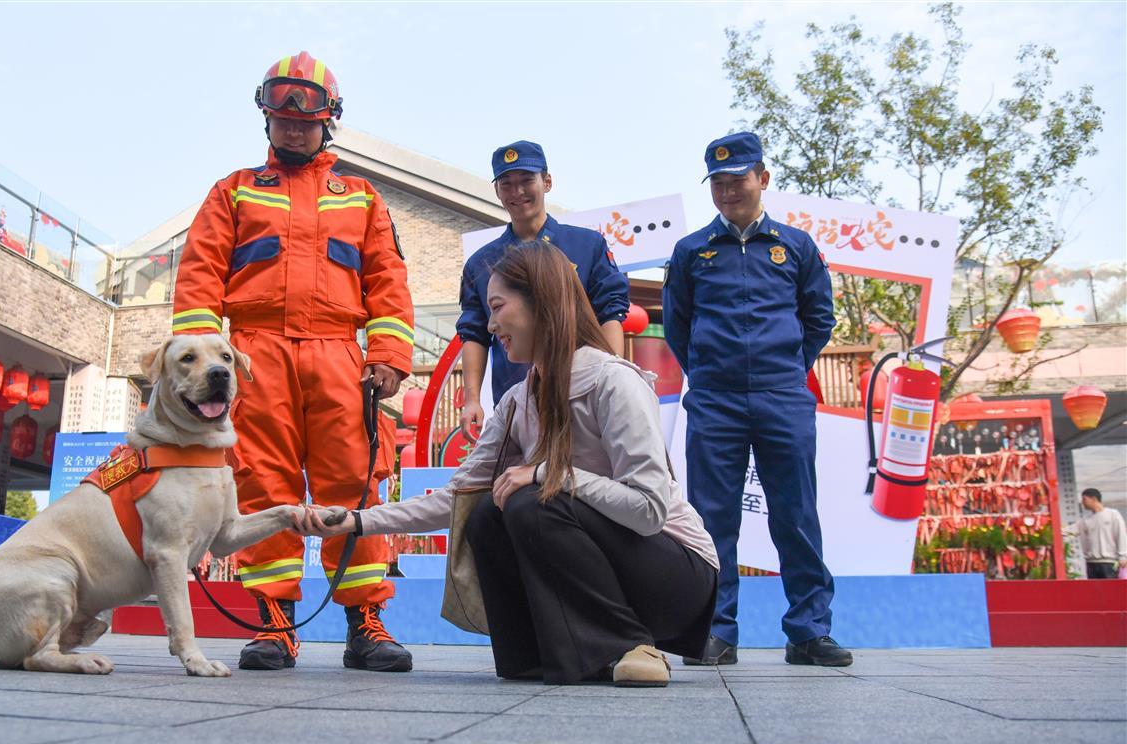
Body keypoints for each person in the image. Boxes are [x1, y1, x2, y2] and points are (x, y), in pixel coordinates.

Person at [298, 241, 719, 687]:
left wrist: (548, 474)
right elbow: (456, 497)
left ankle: (631, 644)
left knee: (531, 502)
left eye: (498, 307)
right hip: (621, 568)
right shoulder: (519, 402)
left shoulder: (613, 381)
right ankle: (534, 652)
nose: (491, 324)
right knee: (484, 517)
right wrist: (355, 522)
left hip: (678, 578)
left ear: (543, 301)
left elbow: (650, 511)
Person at [171, 51, 415, 673]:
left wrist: (387, 354)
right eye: (282, 119)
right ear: (267, 120)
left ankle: (366, 623)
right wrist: (198, 367)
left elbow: (387, 281)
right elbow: (199, 275)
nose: (294, 129)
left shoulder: (360, 197)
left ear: (327, 121)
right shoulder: (234, 190)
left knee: (352, 483)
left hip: (340, 356)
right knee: (262, 486)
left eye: (306, 120)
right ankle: (274, 624)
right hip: (254, 355)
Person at [662, 131, 852, 668]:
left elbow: (819, 319)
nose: (727, 192)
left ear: (762, 179)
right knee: (712, 519)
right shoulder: (692, 250)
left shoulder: (795, 246)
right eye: (718, 183)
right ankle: (716, 632)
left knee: (795, 515)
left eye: (737, 180)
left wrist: (786, 369)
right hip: (715, 401)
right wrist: (709, 374)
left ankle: (809, 631)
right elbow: (677, 327)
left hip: (782, 397)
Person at [457, 141, 630, 437]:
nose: (518, 192)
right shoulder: (481, 263)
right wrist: (472, 399)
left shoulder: (587, 246)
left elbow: (609, 313)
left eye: (527, 181)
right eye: (507, 184)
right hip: (516, 402)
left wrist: (615, 383)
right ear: (497, 191)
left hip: (582, 397)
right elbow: (475, 334)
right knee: (518, 480)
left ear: (547, 182)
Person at [1068, 488, 1127, 579]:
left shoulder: (1113, 514)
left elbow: (1121, 535)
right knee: (1095, 592)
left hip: (1109, 562)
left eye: (1084, 499)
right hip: (1091, 563)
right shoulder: (1086, 520)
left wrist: (1123, 556)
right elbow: (1069, 531)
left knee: (1110, 590)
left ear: (1094, 499)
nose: (1082, 503)